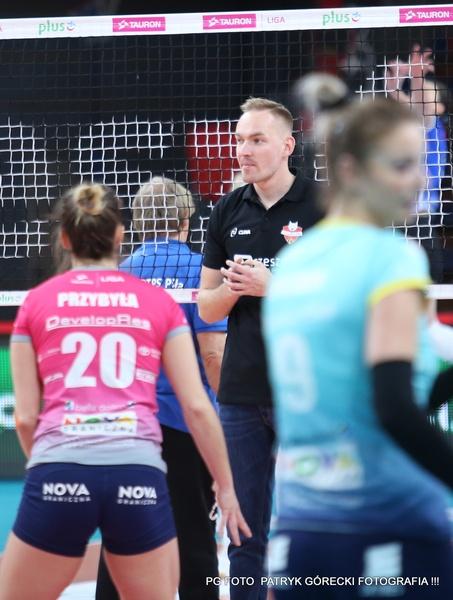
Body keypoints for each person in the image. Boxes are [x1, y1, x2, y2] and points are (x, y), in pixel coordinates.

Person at [0, 183, 250, 600]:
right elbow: (199, 398)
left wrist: (47, 464)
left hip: (64, 459)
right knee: (195, 548)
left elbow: (26, 417)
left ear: (66, 237)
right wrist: (227, 482)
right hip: (141, 456)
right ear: (118, 234)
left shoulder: (39, 301)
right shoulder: (164, 295)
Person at [263, 79, 453, 599]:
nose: (418, 180)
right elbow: (393, 409)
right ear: (350, 170)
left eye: (420, 163)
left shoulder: (292, 264)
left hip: (299, 533)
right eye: (401, 165)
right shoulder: (391, 258)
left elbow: (355, 394)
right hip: (391, 525)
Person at [198, 97, 322, 600]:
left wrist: (275, 287)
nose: (243, 150)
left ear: (287, 145)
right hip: (242, 394)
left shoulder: (323, 206)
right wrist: (236, 289)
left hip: (308, 390)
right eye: (239, 140)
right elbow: (207, 307)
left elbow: (343, 300)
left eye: (256, 140)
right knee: (244, 532)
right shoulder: (227, 210)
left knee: (314, 527)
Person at [95, 176, 227, 600]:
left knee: (120, 540)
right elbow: (213, 356)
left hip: (127, 428)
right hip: (186, 427)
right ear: (187, 220)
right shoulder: (202, 273)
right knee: (196, 541)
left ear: (137, 221)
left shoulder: (117, 276)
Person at [385, 44, 449, 282]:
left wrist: (417, 77)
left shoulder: (431, 126)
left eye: (425, 93)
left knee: (428, 288)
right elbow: (408, 103)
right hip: (393, 220)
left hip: (420, 224)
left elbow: (422, 108)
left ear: (440, 106)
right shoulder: (409, 127)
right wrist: (394, 85)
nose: (416, 98)